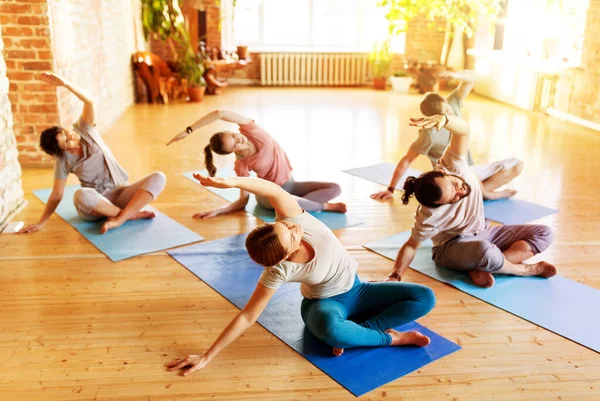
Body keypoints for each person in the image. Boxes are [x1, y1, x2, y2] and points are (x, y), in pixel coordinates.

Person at [166, 174, 436, 376]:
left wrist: (230, 182)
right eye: (290, 234)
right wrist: (206, 356)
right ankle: (391, 338)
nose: (293, 227)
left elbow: (270, 188)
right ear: (285, 255)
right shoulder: (279, 270)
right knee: (331, 329)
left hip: (359, 290)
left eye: (281, 224)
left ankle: (357, 334)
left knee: (425, 298)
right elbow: (248, 315)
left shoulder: (294, 220)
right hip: (323, 306)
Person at [388, 113, 556, 288]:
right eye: (452, 198)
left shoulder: (453, 163)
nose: (460, 192)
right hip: (452, 247)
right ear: (437, 205)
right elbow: (411, 246)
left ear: (444, 172)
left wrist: (445, 120)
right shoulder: (428, 215)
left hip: (484, 232)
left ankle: (484, 267)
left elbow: (463, 131)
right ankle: (525, 270)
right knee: (484, 250)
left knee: (545, 233)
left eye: (454, 185)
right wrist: (395, 275)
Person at [19, 72, 166, 235]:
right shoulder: (62, 161)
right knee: (80, 195)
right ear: (61, 150)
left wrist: (66, 84)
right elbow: (56, 194)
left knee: (159, 177)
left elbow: (90, 101)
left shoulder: (84, 129)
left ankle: (121, 218)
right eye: (66, 142)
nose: (71, 137)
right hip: (96, 203)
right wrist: (42, 222)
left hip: (121, 191)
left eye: (66, 133)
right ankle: (129, 215)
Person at [371, 70, 523, 201]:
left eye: (448, 110)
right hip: (452, 179)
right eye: (443, 115)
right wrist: (391, 189)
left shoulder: (453, 102)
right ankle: (486, 194)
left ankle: (476, 193)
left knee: (517, 165)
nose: (448, 116)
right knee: (464, 171)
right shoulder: (428, 134)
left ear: (446, 101)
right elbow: (407, 160)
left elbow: (473, 78)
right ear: (433, 117)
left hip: (472, 171)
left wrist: (455, 75)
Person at [167, 110, 346, 218]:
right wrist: (219, 211)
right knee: (289, 201)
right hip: (269, 195)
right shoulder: (241, 165)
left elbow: (220, 113)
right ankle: (324, 207)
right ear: (232, 151)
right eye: (234, 145)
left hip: (291, 184)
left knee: (334, 188)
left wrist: (188, 130)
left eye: (234, 136)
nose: (239, 140)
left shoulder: (252, 131)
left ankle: (298, 206)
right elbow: (243, 200)